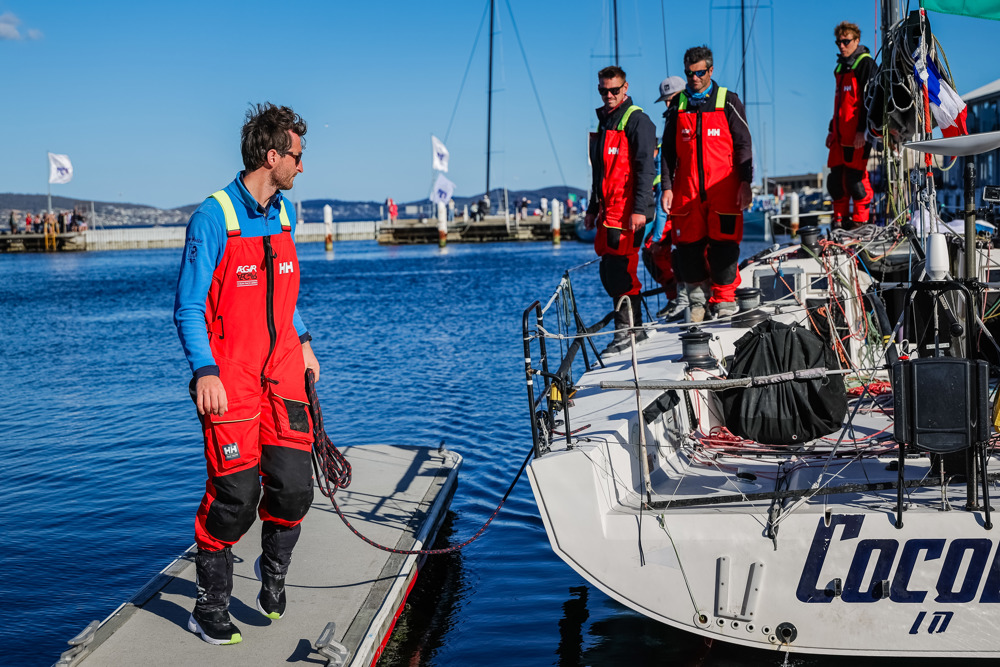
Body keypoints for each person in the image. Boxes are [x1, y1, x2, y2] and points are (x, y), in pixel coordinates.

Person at [174, 103, 320, 646]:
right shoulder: (213, 218)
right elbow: (188, 307)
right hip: (229, 373)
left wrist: (302, 341)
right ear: (271, 155)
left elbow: (284, 297)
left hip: (282, 368)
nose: (302, 167)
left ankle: (272, 569)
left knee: (295, 489)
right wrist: (203, 370)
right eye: (297, 156)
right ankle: (209, 603)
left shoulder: (284, 215)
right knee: (235, 496)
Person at [661, 45, 753, 321]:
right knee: (687, 247)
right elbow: (667, 151)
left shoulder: (728, 101)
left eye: (699, 73)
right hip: (686, 191)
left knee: (724, 247)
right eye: (689, 73)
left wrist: (745, 183)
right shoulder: (678, 106)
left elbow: (744, 145)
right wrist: (666, 186)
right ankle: (697, 303)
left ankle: (724, 302)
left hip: (723, 188)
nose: (694, 78)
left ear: (710, 71)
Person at [584, 65, 657, 354]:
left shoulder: (638, 121)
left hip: (628, 213)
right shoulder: (605, 123)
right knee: (610, 272)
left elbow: (645, 169)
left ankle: (630, 331)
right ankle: (627, 328)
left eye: (614, 90)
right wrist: (592, 208)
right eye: (604, 91)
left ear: (625, 88)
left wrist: (640, 209)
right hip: (607, 213)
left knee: (623, 272)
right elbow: (598, 173)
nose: (609, 95)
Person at [826, 21, 874, 229]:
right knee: (836, 181)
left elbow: (869, 101)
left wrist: (862, 131)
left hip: (857, 135)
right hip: (839, 135)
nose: (842, 46)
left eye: (846, 42)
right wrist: (831, 129)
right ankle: (840, 222)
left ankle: (860, 224)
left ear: (857, 40)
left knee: (856, 181)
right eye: (839, 42)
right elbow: (840, 105)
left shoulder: (866, 64)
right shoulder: (841, 67)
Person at [646, 75, 686, 321]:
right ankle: (676, 297)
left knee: (680, 251)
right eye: (666, 101)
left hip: (680, 207)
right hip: (672, 208)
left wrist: (659, 231)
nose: (668, 105)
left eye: (672, 100)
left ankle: (691, 298)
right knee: (654, 251)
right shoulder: (670, 129)